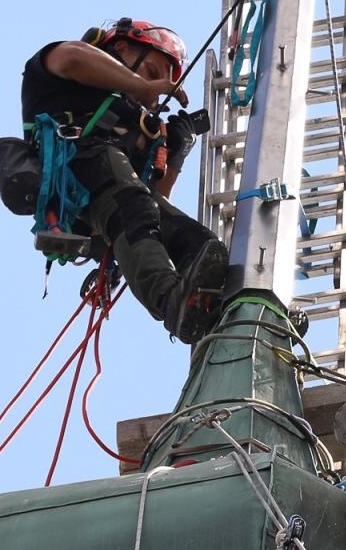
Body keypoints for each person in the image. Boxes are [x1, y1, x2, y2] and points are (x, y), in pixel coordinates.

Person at [21, 18, 228, 343]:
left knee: (197, 240)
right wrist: (141, 85)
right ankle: (170, 301)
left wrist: (176, 151)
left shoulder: (138, 124)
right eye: (151, 71)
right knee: (134, 205)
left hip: (115, 199)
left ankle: (216, 300)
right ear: (120, 49)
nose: (156, 89)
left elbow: (154, 201)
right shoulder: (57, 75)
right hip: (79, 167)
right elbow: (73, 57)